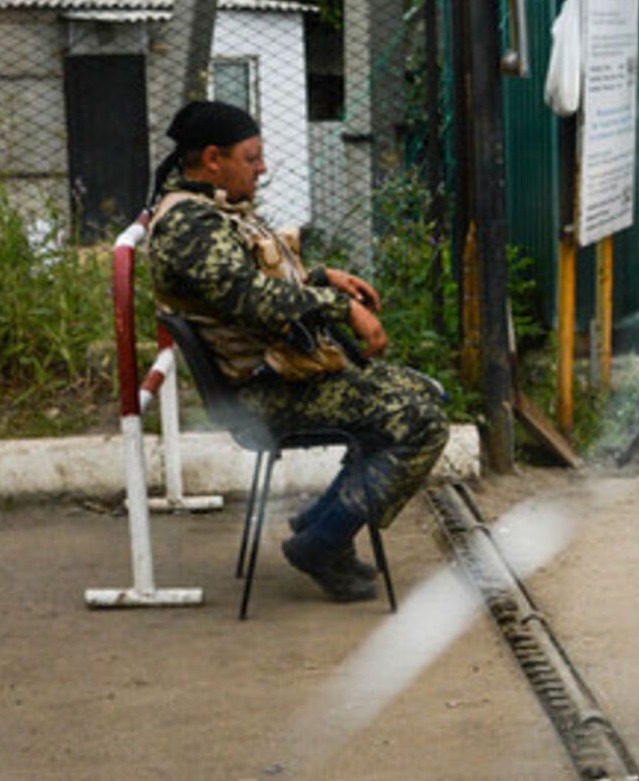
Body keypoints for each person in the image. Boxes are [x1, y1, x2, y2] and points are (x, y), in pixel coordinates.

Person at [145, 100, 448, 603]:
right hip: (262, 394)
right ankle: (322, 542)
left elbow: (241, 285)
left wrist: (322, 279)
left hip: (283, 377)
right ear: (214, 158)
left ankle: (320, 524)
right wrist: (341, 308)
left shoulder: (211, 209)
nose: (262, 168)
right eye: (253, 157)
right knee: (422, 419)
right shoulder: (189, 225)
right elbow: (248, 299)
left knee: (421, 398)